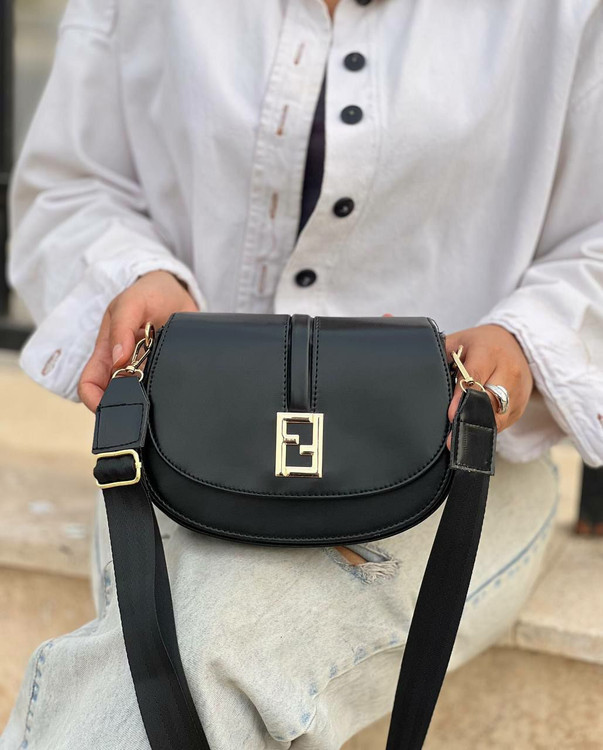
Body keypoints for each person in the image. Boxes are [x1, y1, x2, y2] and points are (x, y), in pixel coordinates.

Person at [2, 0, 602, 748]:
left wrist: (524, 339)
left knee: (202, 660)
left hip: (458, 467)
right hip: (177, 455)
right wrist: (141, 275)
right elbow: (71, 185)